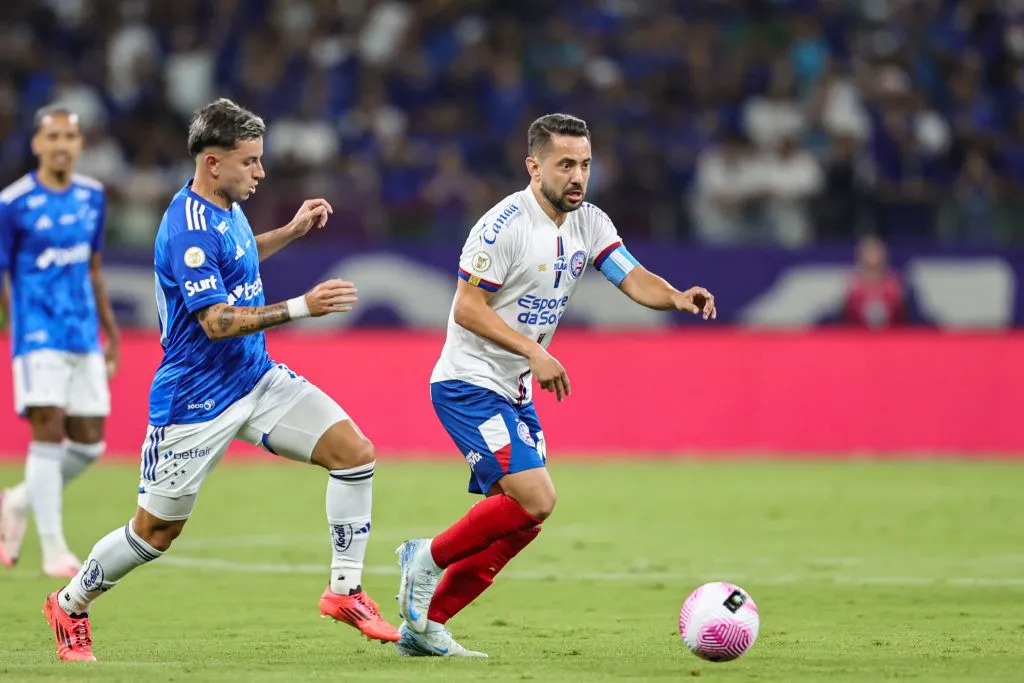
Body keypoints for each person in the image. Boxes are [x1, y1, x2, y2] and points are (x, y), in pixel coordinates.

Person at [41, 98, 400, 662]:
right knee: (153, 535)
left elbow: (237, 259)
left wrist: (291, 231)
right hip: (193, 401)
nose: (260, 173)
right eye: (250, 162)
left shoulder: (226, 208)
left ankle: (345, 592)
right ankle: (70, 602)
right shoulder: (185, 226)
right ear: (213, 162)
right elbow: (214, 322)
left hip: (255, 379)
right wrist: (302, 307)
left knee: (354, 454)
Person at [394, 113, 717, 657]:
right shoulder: (502, 227)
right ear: (533, 165)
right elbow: (467, 309)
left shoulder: (589, 221)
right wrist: (534, 350)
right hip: (468, 383)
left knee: (523, 522)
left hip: (513, 389)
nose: (578, 176)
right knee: (537, 498)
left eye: (585, 164)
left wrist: (677, 296)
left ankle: (424, 628)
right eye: (566, 164)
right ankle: (424, 558)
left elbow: (631, 276)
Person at [0, 105, 120, 578]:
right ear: (37, 144)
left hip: (82, 332)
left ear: (80, 144)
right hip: (37, 334)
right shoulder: (13, 202)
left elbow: (93, 268)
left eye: (69, 136)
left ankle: (15, 500)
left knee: (89, 443)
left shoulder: (92, 196)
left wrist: (109, 331)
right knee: (47, 433)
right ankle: (54, 551)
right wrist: (18, 329)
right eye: (52, 136)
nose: (61, 145)